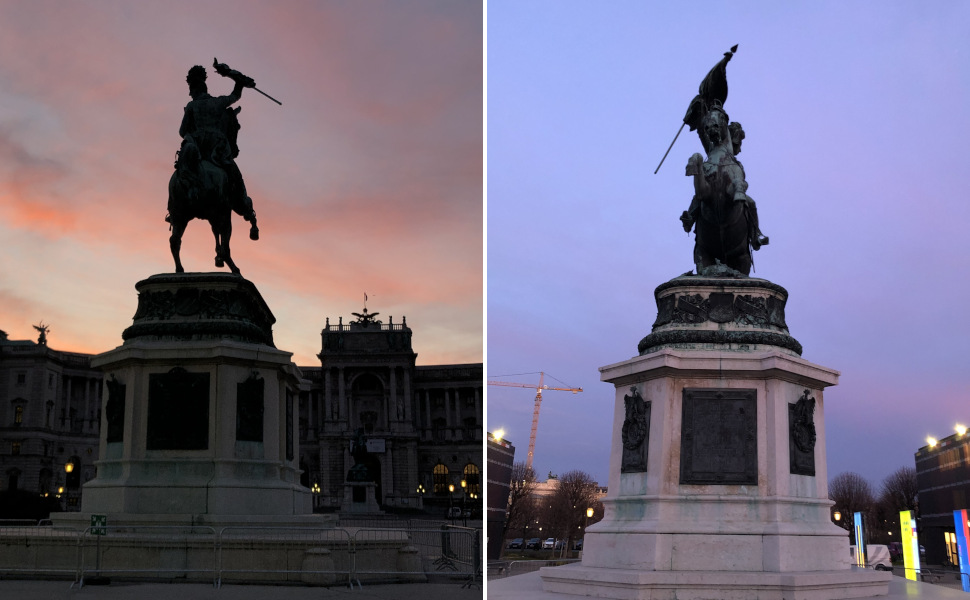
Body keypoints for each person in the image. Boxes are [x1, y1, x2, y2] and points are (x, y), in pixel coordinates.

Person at [177, 63, 259, 240]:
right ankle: (244, 203)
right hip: (217, 149)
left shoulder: (191, 106)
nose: (190, 93)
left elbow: (182, 131)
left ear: (195, 89)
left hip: (198, 147)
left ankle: (175, 209)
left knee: (183, 170)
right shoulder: (218, 102)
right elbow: (235, 95)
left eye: (190, 90)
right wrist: (238, 81)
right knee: (234, 175)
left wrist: (193, 134)